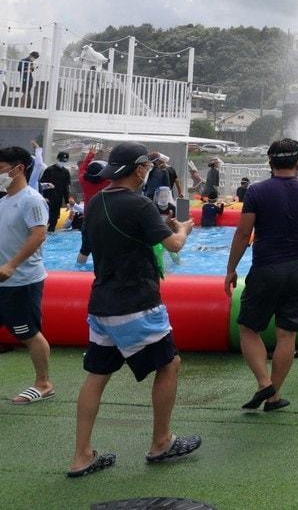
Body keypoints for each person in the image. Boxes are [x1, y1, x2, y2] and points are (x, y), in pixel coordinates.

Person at [70, 141, 198, 476]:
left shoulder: (96, 202)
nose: (148, 173)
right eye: (146, 167)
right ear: (138, 168)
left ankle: (82, 455)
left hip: (101, 306)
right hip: (136, 304)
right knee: (169, 364)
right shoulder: (139, 205)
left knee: (96, 376)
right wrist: (183, 228)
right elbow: (173, 245)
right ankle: (161, 442)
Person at [225, 139, 298, 413]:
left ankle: (264, 383)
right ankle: (273, 396)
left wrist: (231, 268)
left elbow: (242, 233)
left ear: (270, 162)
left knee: (248, 328)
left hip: (267, 267)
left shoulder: (257, 192)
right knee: (287, 335)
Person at [0, 145, 54, 405]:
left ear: (18, 168)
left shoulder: (32, 200)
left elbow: (39, 234)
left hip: (21, 282)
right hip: (2, 281)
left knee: (28, 333)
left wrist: (12, 265)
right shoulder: (4, 200)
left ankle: (43, 384)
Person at [39, 150, 72, 233]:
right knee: (45, 218)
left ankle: (50, 234)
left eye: (64, 161)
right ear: (57, 159)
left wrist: (67, 201)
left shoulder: (66, 172)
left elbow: (66, 188)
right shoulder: (49, 170)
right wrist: (43, 197)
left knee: (55, 219)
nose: (62, 162)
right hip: (48, 199)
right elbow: (41, 185)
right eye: (61, 160)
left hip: (58, 200)